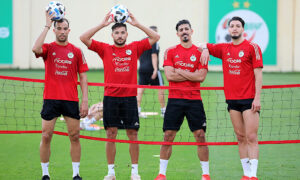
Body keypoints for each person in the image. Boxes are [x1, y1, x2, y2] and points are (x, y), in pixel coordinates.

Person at [80, 11, 160, 180]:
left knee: (133, 134)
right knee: (111, 134)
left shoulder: (135, 47)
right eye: (117, 32)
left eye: (123, 32)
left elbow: (155, 37)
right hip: (111, 99)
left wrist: (137, 23)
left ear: (127, 34)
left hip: (129, 99)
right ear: (112, 35)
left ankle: (134, 172)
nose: (120, 35)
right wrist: (102, 24)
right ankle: (110, 172)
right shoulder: (105, 49)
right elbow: (83, 38)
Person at [199, 16, 263, 180]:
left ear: (243, 29)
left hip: (249, 100)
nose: (234, 28)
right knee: (240, 137)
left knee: (251, 137)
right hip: (232, 100)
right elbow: (202, 46)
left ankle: (253, 175)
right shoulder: (224, 48)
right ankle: (246, 174)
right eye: (232, 26)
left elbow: (258, 75)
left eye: (238, 26)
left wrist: (257, 98)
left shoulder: (252, 47)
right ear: (228, 29)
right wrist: (206, 49)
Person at [32, 12, 89, 180]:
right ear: (55, 31)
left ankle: (76, 174)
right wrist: (47, 25)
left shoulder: (76, 51)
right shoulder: (48, 48)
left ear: (69, 31)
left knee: (75, 136)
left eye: (65, 29)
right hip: (51, 99)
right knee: (46, 135)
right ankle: (45, 174)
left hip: (71, 99)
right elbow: (35, 49)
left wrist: (84, 100)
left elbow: (83, 76)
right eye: (59, 29)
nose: (62, 31)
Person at [154, 20, 210, 180]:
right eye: (181, 30)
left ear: (191, 31)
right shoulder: (170, 51)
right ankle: (161, 174)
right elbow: (169, 75)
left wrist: (179, 70)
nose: (184, 31)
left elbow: (201, 77)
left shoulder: (200, 52)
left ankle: (206, 174)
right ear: (177, 33)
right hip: (175, 100)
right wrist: (190, 74)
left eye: (186, 29)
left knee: (200, 135)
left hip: (194, 101)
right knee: (168, 135)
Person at [137, 26, 166, 118]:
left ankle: (137, 111)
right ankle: (163, 111)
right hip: (151, 68)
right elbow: (154, 55)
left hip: (142, 68)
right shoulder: (155, 42)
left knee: (140, 90)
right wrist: (155, 69)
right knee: (161, 88)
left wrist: (141, 65)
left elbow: (138, 55)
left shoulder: (142, 41)